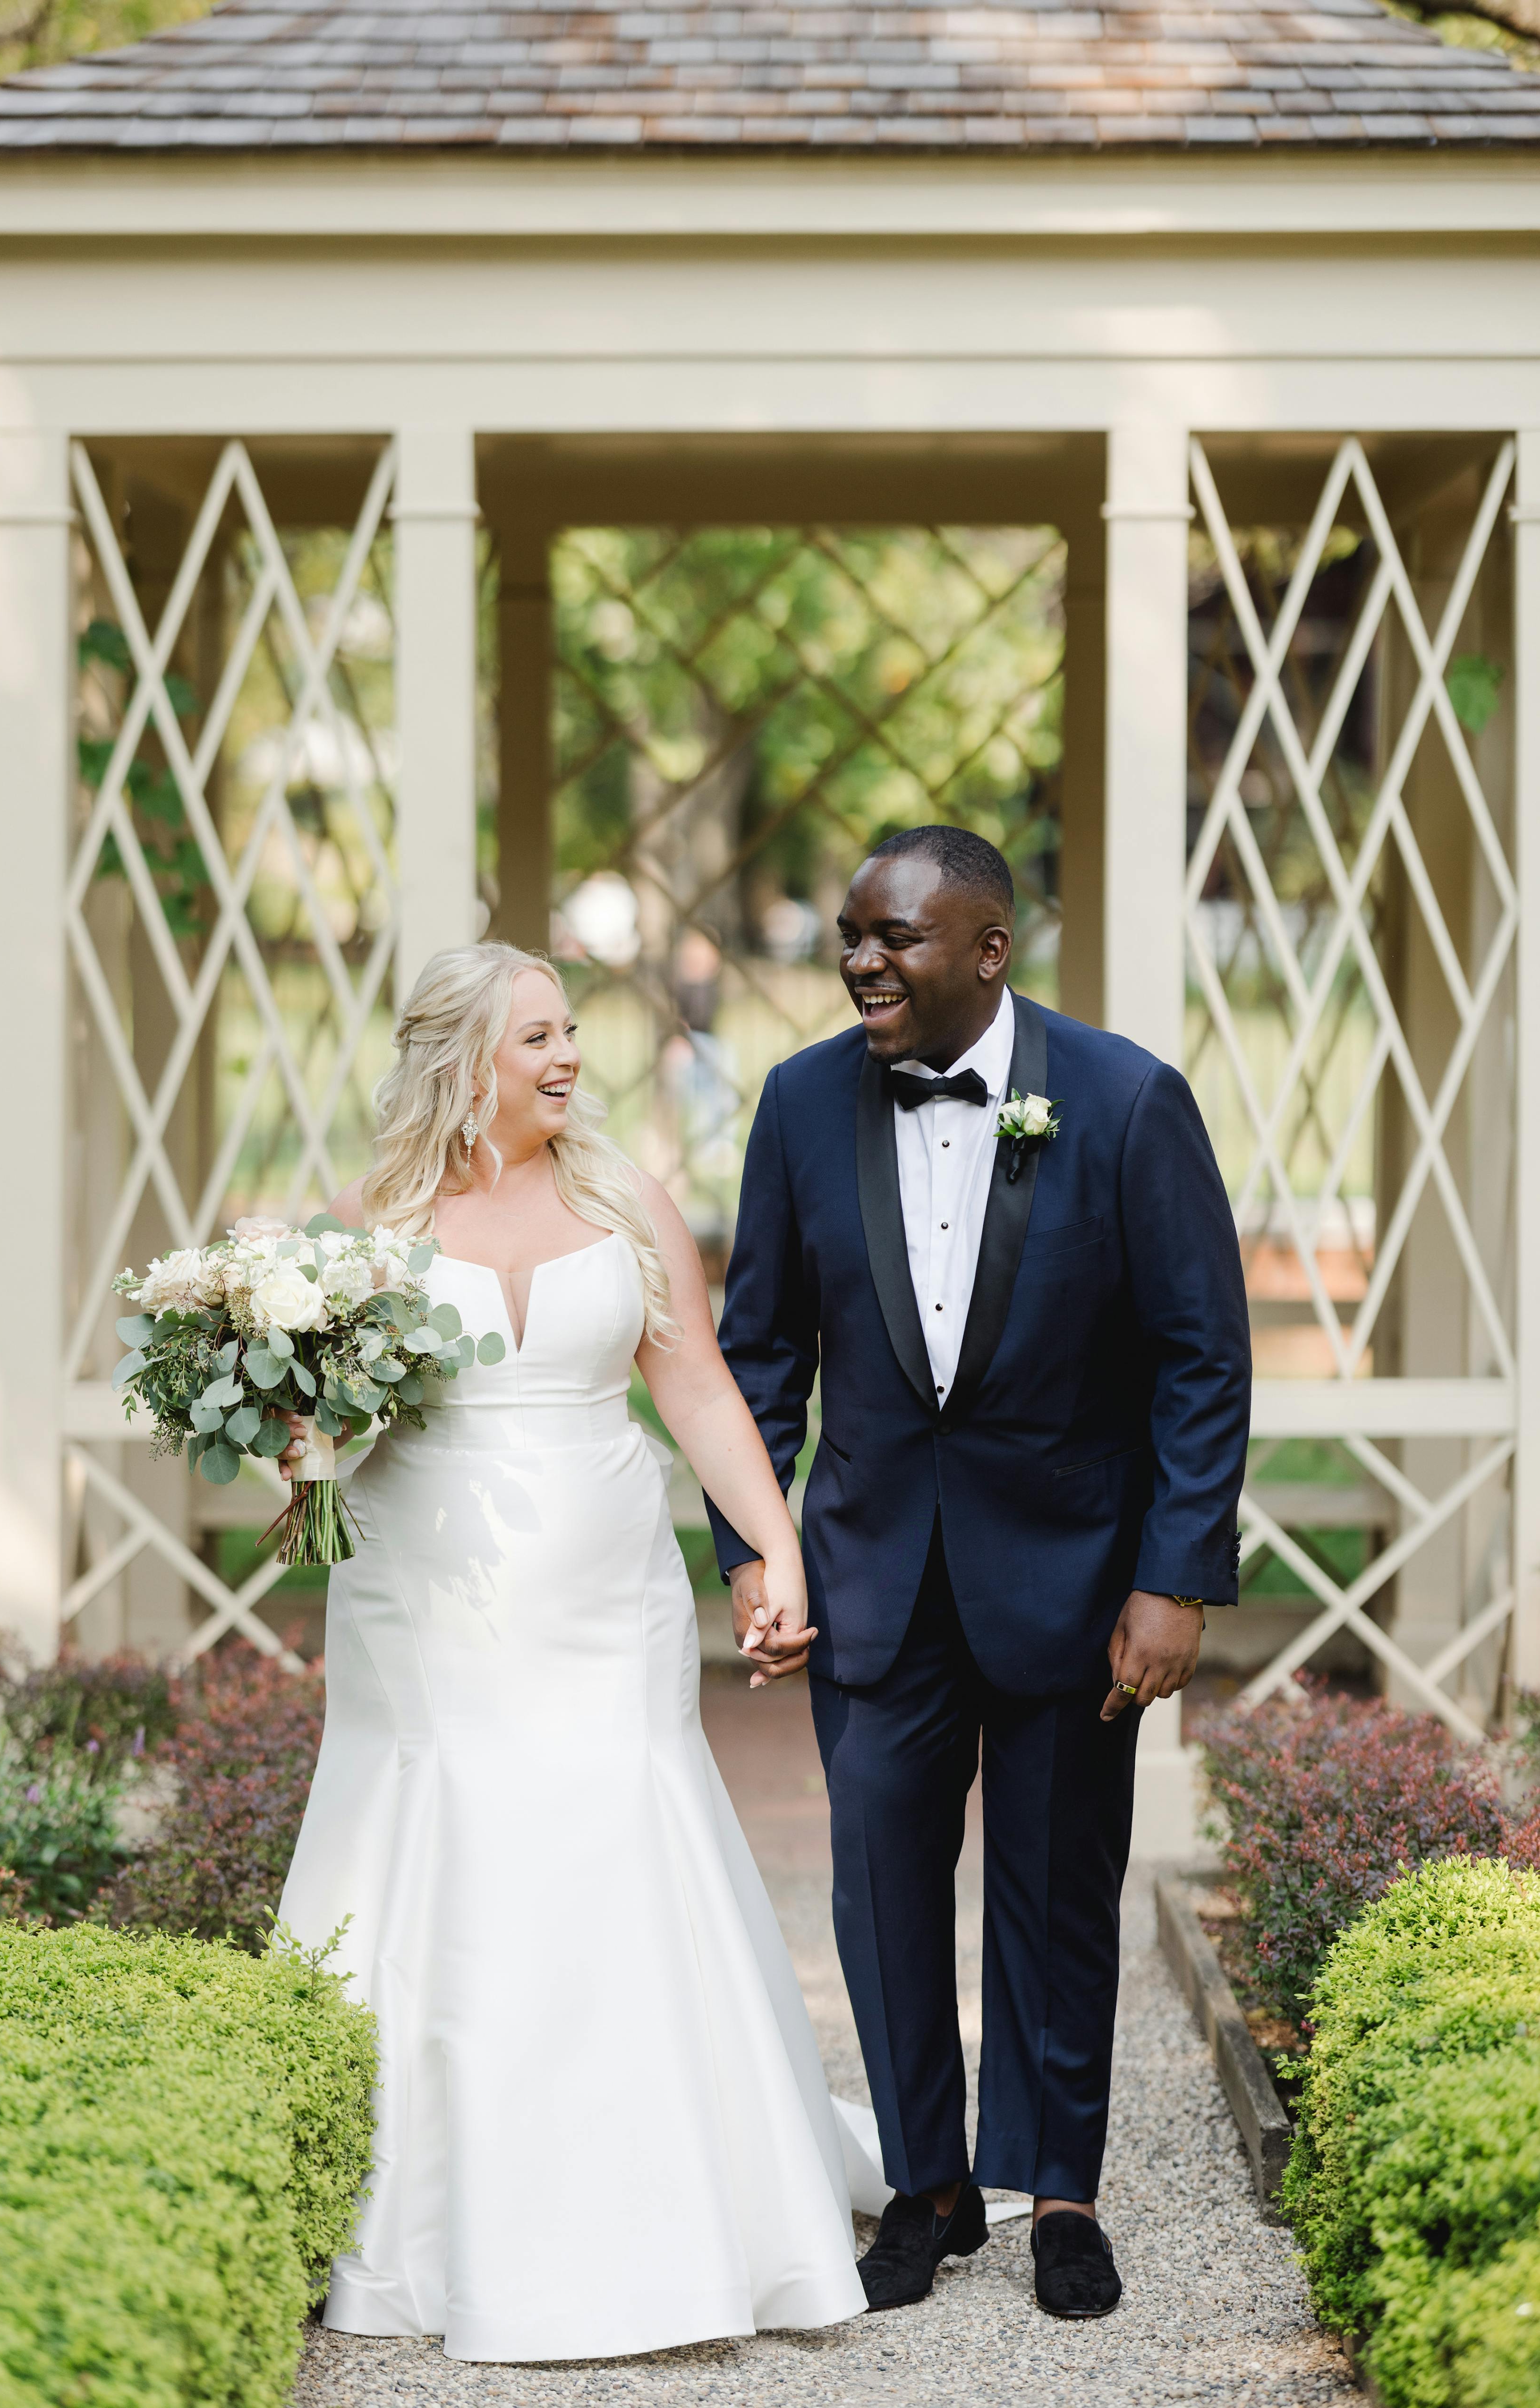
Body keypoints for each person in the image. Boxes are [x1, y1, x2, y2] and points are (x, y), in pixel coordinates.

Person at [274, 943, 867, 2364]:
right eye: (535, 1034)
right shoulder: (369, 1224)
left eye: (568, 1030)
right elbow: (325, 1450)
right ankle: (434, 2214)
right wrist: (301, 1447)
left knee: (617, 1834)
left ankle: (669, 2202)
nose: (567, 1056)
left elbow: (702, 1391)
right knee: (449, 1841)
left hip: (608, 1600)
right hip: (429, 1604)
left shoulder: (621, 1195)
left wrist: (773, 1548)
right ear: (461, 1058)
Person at [707, 826, 1251, 2321]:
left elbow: (1203, 1357)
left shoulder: (1128, 1099)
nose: (862, 961)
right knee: (879, 1892)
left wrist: (1177, 1573)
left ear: (991, 950)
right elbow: (758, 1354)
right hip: (876, 1572)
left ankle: (1058, 2190)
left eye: (896, 938)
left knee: (1061, 1890)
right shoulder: (801, 1102)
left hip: (1079, 1581)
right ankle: (929, 2188)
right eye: (851, 935)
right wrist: (761, 1552)